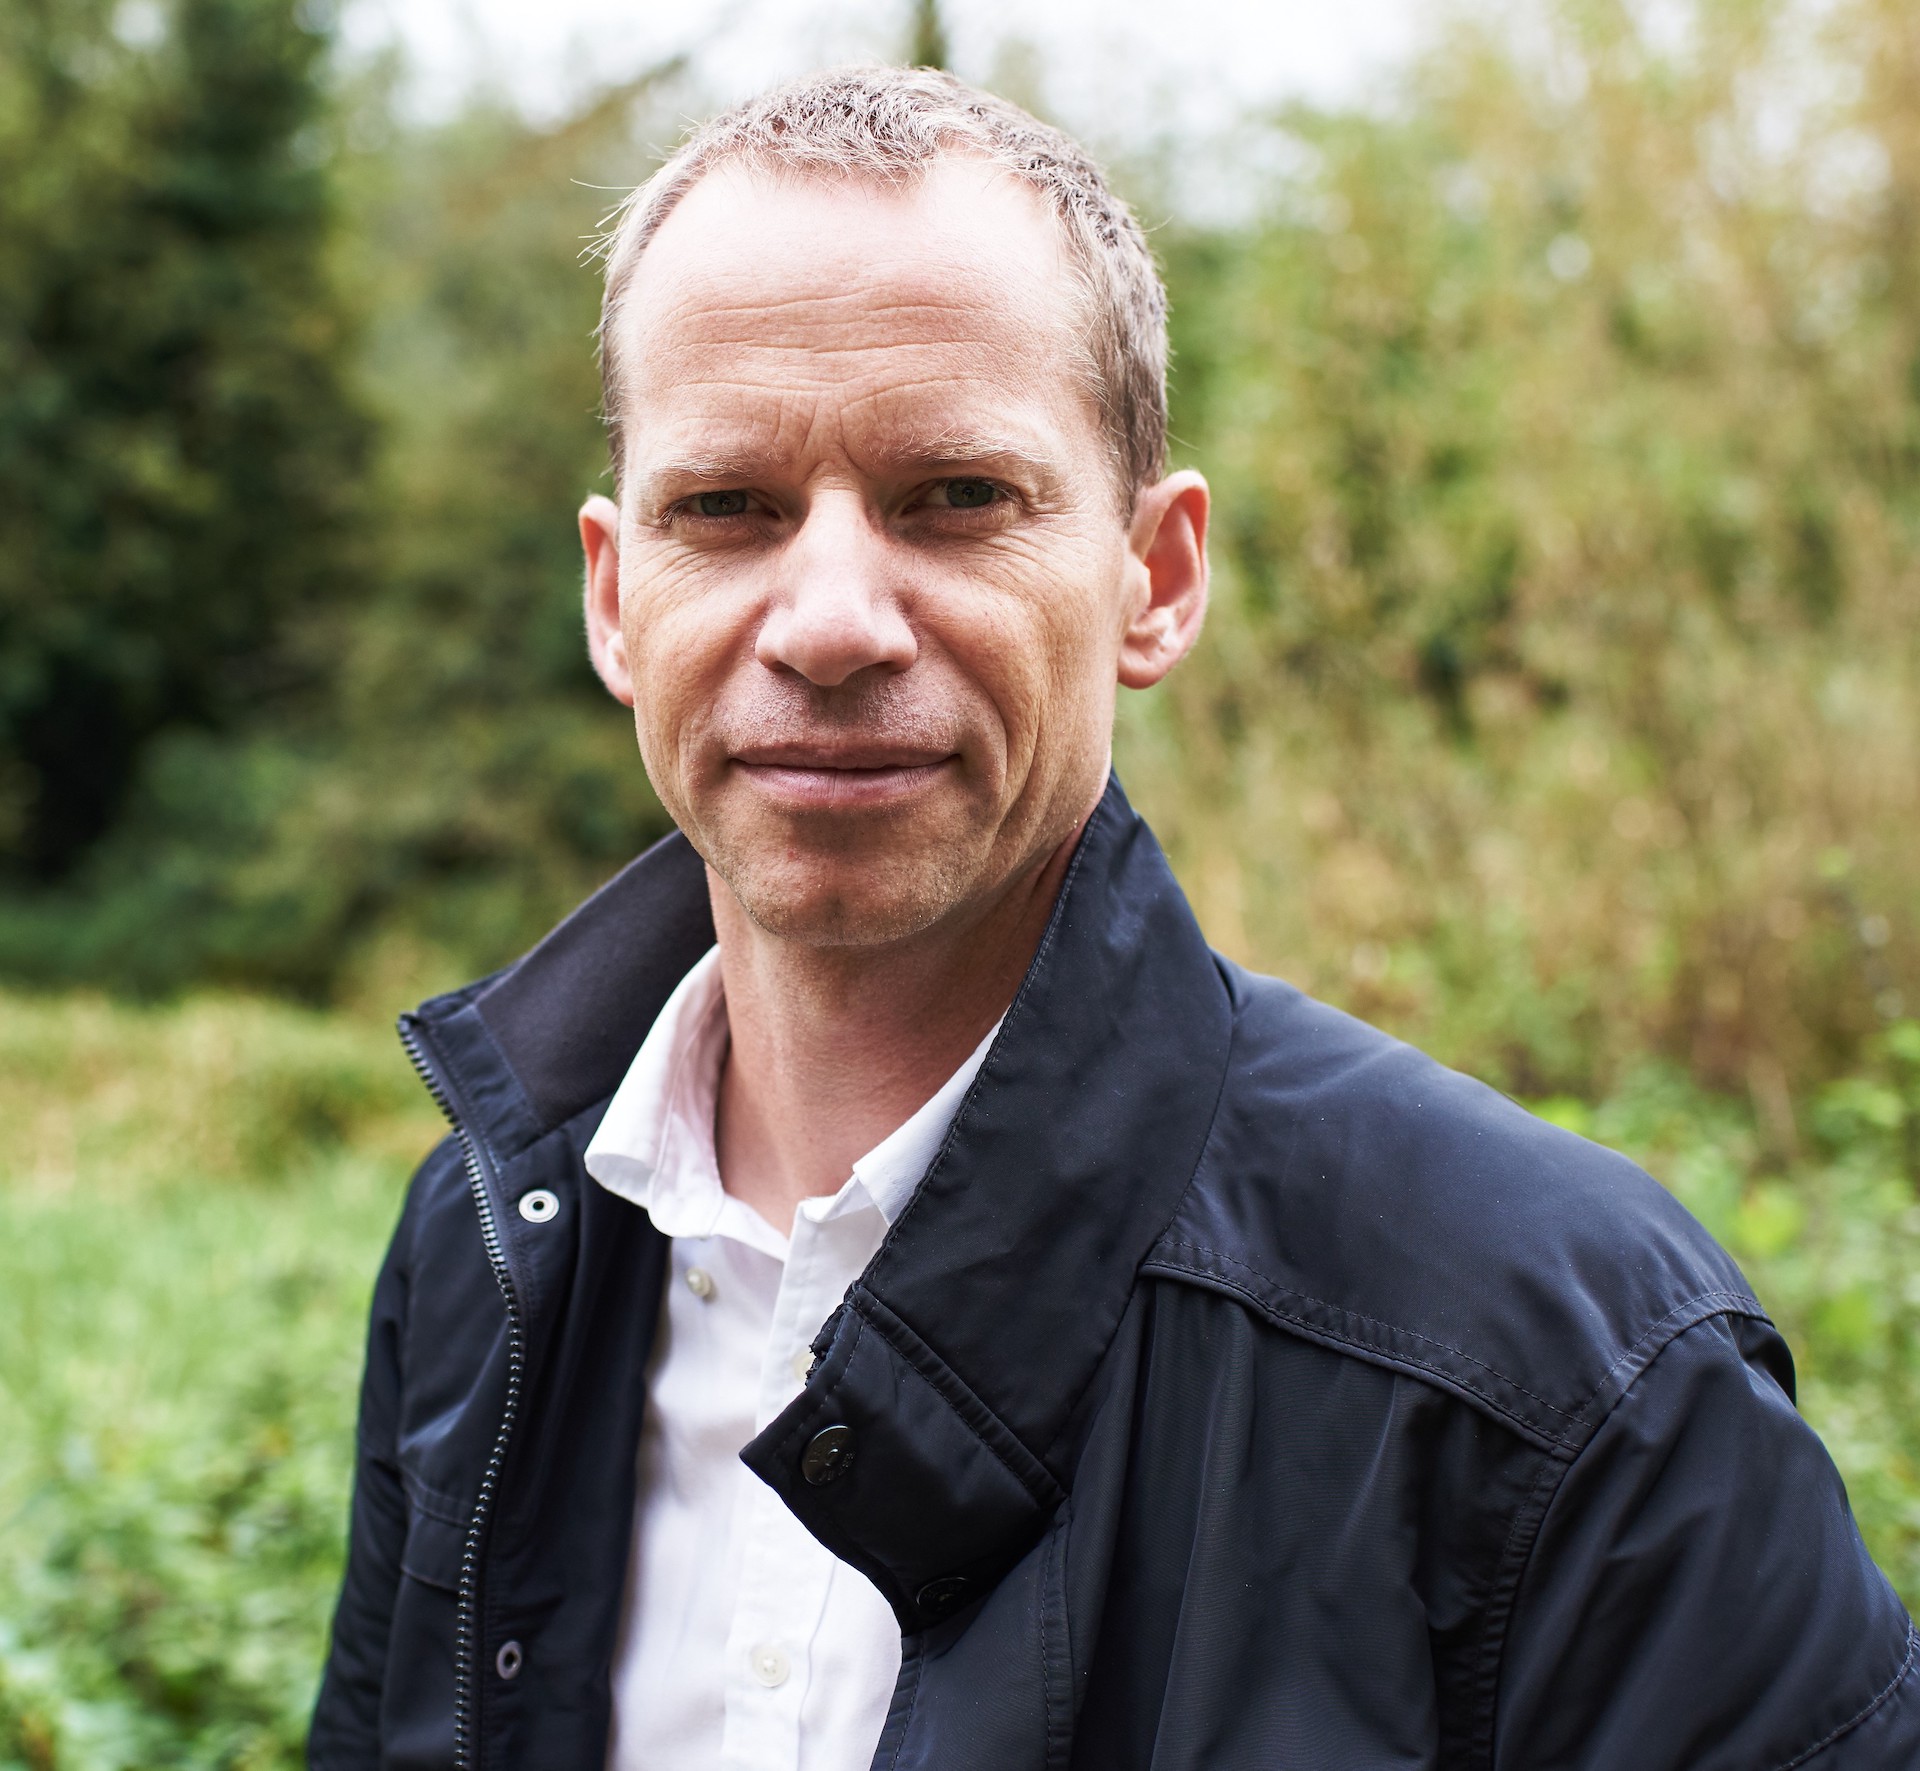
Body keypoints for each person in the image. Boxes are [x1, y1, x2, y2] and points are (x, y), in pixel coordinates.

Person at [309, 66, 1918, 1771]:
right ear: (617, 597)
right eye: (728, 509)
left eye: (956, 499)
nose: (834, 621)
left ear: (1157, 577)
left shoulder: (1563, 1373)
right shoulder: (489, 1246)